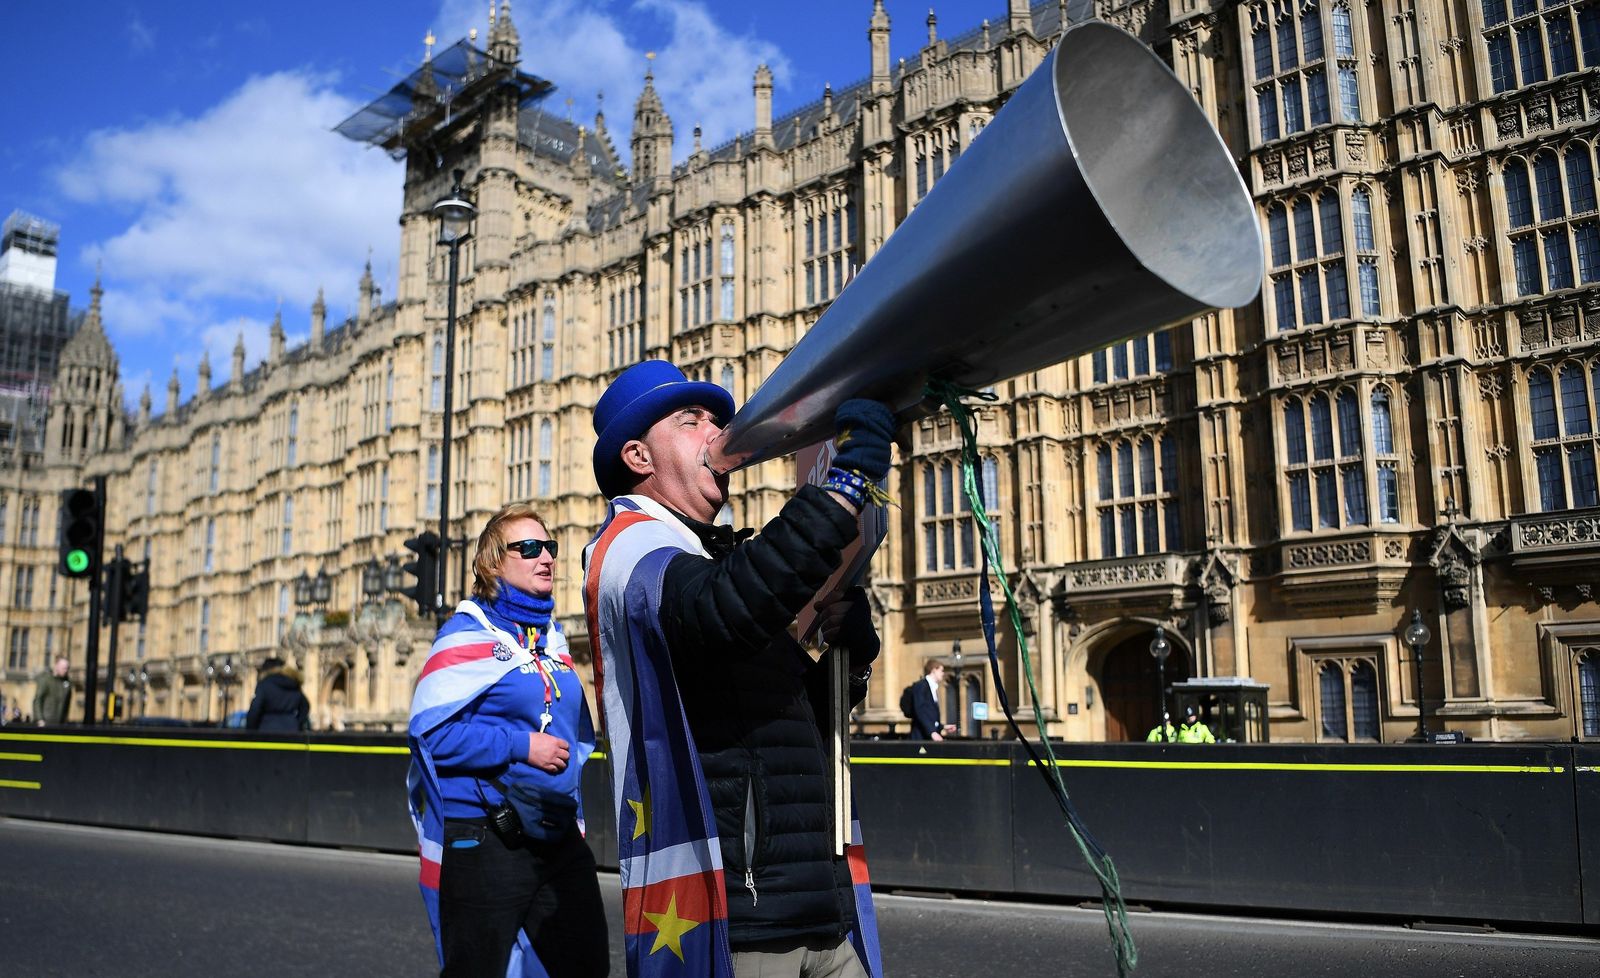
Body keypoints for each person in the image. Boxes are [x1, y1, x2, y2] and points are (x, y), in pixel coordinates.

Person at [583, 360, 888, 978]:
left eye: (719, 419)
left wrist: (846, 658)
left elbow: (784, 716)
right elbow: (728, 605)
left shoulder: (707, 557)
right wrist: (846, 486)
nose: (718, 433)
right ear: (639, 456)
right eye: (692, 420)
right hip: (740, 917)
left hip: (815, 904)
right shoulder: (630, 550)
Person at [407, 503, 608, 978]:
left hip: (556, 835)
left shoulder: (551, 640)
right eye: (530, 548)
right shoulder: (465, 636)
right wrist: (520, 746)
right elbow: (432, 736)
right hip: (486, 836)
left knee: (585, 965)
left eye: (551, 548)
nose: (547, 559)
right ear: (493, 562)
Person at [244, 657, 311, 732]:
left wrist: (250, 729)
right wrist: (297, 723)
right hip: (291, 730)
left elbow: (255, 708)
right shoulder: (293, 683)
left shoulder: (265, 684)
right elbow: (305, 706)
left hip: (267, 729)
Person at [909, 661, 956, 741]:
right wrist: (932, 732)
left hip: (929, 737)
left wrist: (942, 727)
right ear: (934, 670)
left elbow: (930, 715)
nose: (943, 673)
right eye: (941, 670)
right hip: (921, 738)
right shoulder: (921, 686)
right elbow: (920, 711)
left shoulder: (932, 687)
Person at [33, 656, 71, 726]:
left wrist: (65, 719)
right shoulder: (46, 680)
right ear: (57, 666)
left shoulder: (67, 682)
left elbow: (67, 703)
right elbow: (38, 699)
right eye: (64, 668)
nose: (66, 670)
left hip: (60, 723)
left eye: (67, 668)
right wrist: (40, 719)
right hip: (46, 722)